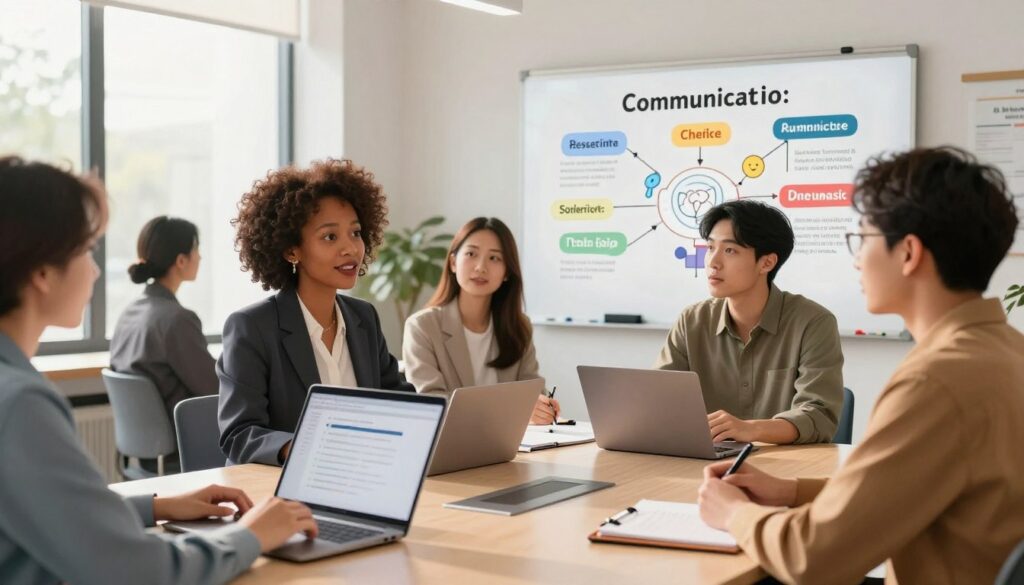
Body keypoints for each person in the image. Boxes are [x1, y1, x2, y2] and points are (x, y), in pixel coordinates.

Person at [698, 147, 1024, 584]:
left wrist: (734, 512)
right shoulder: (1004, 350)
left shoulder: (937, 380)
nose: (856, 259)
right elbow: (910, 490)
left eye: (863, 239)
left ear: (908, 253)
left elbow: (811, 559)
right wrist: (792, 490)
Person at [0, 156, 317, 585]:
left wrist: (158, 505)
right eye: (85, 250)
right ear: (41, 272)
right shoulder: (19, 403)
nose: (94, 269)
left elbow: (50, 510)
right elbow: (137, 571)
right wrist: (251, 534)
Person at [218, 158, 413, 466]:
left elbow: (399, 401)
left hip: (361, 476)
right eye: (330, 237)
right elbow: (239, 434)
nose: (350, 248)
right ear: (291, 250)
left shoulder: (364, 319)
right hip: (282, 490)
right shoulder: (251, 327)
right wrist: (298, 447)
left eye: (356, 233)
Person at [654, 199, 843, 444]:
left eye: (730, 250)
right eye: (711, 248)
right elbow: (657, 401)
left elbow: (818, 416)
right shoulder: (692, 321)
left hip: (784, 466)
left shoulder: (813, 322)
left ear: (767, 262)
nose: (713, 262)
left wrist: (751, 429)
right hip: (703, 463)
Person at [403, 217, 558, 424]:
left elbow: (531, 389)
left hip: (510, 447)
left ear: (506, 273)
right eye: (471, 254)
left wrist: (543, 406)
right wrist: (512, 408)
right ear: (452, 263)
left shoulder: (519, 327)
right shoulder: (422, 326)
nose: (480, 267)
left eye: (494, 258)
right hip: (451, 448)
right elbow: (432, 404)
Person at [111, 216, 217, 421]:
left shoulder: (128, 313)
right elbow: (214, 388)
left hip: (143, 437)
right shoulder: (177, 319)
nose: (200, 257)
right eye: (196, 248)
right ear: (181, 260)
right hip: (186, 438)